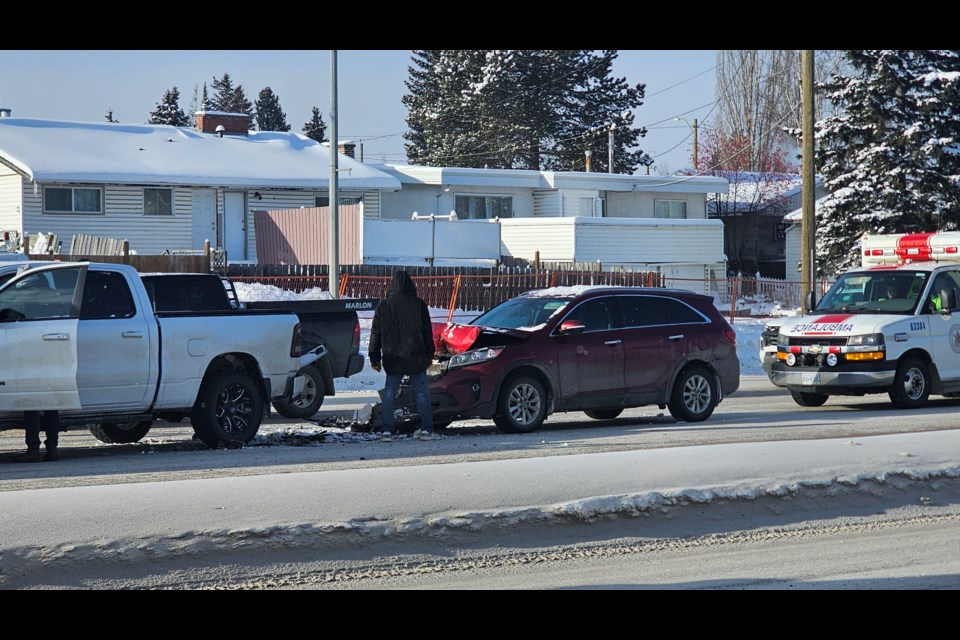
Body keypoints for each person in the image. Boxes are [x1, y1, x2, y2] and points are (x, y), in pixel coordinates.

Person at [368, 270, 438, 441]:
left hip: (394, 359)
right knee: (421, 394)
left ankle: (387, 430)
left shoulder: (384, 306)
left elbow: (375, 334)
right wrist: (430, 354)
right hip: (416, 357)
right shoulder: (419, 305)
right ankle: (427, 429)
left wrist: (374, 357)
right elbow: (427, 332)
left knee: (390, 395)